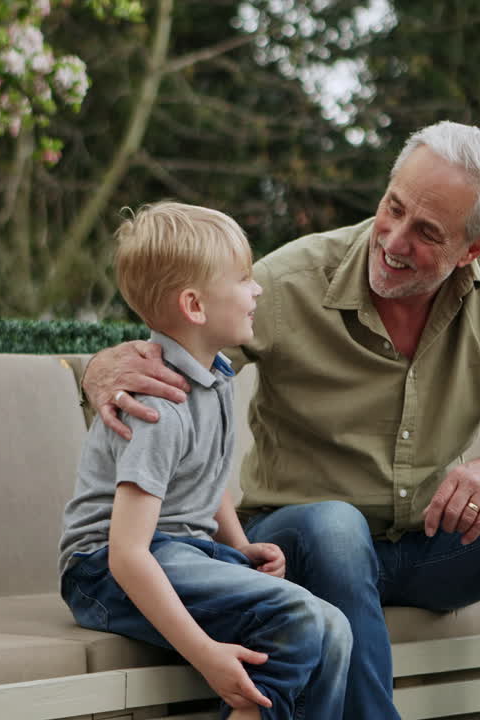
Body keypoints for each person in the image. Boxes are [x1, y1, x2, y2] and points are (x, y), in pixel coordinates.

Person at [83, 123, 480, 719]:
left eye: (426, 233)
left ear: (470, 249)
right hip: (302, 543)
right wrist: (101, 369)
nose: (392, 238)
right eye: (393, 207)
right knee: (337, 528)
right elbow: (185, 331)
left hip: (426, 548)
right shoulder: (292, 281)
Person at [59, 202, 352, 720]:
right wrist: (205, 655)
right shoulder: (160, 404)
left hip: (183, 553)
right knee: (302, 619)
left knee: (333, 629)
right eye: (243, 278)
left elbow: (202, 479)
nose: (257, 288)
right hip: (103, 570)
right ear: (194, 305)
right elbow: (127, 552)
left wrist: (240, 547)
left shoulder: (212, 377)